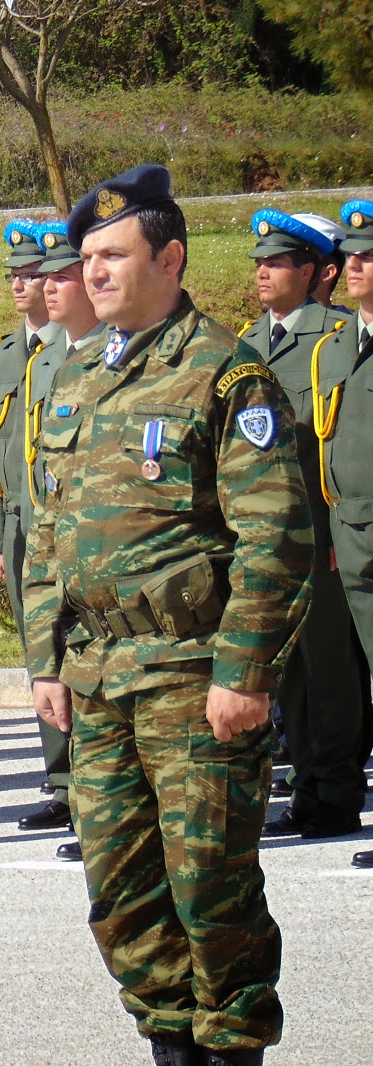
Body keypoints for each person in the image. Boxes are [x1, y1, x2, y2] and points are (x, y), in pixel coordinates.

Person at [27, 164, 312, 1066]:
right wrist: (43, 659)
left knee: (211, 891)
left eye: (110, 255)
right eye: (85, 258)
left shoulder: (226, 377)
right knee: (123, 894)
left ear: (169, 257)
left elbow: (274, 534)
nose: (89, 272)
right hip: (99, 679)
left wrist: (244, 673)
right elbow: (45, 532)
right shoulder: (80, 376)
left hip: (194, 681)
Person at [239, 210, 367, 841]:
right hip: (269, 539)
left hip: (325, 531)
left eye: (280, 261)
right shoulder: (248, 344)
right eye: (260, 261)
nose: (264, 271)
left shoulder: (335, 337)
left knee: (332, 666)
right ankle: (306, 784)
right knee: (285, 668)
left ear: (315, 272)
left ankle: (338, 789)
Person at [14, 223, 103, 853]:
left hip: (101, 547)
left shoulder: (112, 356)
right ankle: (69, 788)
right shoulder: (46, 359)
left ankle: (96, 806)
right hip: (50, 537)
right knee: (52, 663)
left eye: (61, 275)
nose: (46, 287)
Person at [0, 220, 70, 812]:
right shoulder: (4, 355)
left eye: (33, 274)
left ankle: (88, 778)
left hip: (64, 521)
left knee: (77, 643)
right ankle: (58, 776)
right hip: (18, 523)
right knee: (38, 648)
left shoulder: (80, 348)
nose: (20, 284)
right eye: (13, 275)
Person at [308, 200, 373, 871]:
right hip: (347, 533)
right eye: (350, 255)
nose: (354, 265)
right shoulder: (337, 349)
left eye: (368, 255)